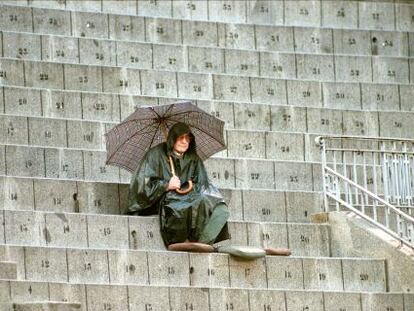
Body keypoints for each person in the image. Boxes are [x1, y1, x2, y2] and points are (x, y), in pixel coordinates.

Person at [127, 122, 230, 250]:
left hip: (189, 195)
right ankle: (182, 240)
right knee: (182, 204)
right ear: (172, 139)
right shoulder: (155, 154)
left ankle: (203, 240)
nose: (185, 142)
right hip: (164, 198)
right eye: (181, 138)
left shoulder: (193, 158)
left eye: (188, 138)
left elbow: (202, 182)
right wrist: (166, 185)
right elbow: (142, 185)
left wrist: (191, 187)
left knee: (216, 204)